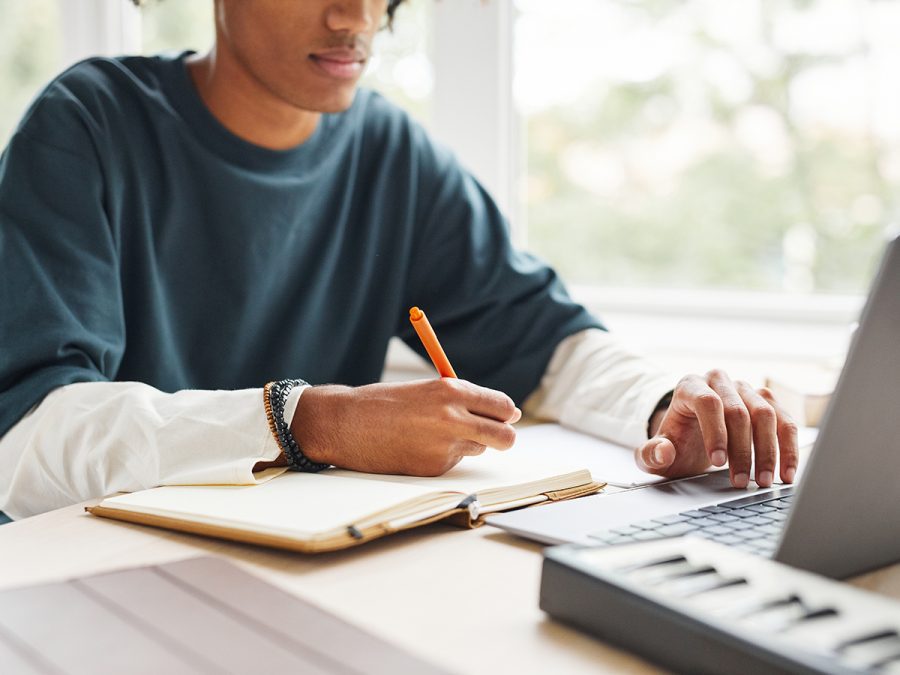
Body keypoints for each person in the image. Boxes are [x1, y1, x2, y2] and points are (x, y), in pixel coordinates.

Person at [0, 0, 798, 521]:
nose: (358, 17)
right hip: (95, 571)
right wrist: (316, 421)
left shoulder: (392, 153)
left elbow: (541, 341)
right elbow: (27, 436)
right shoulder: (89, 125)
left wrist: (668, 404)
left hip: (302, 568)